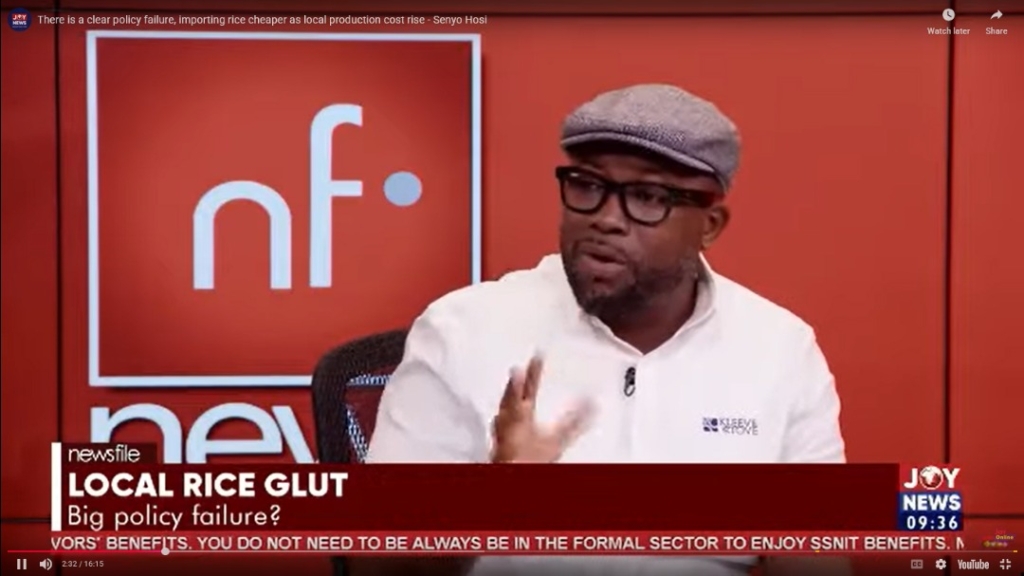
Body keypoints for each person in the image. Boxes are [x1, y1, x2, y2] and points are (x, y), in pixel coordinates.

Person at [354, 84, 848, 576]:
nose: (607, 219)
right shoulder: (463, 330)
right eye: (588, 186)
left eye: (648, 197)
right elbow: (377, 565)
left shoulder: (779, 350)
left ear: (709, 225)